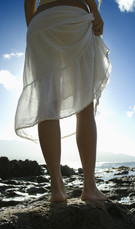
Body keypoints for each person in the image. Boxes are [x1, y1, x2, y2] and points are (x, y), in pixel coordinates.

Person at [15, 0, 111, 202]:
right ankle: (89, 186)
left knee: (47, 105)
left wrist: (35, 28)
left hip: (40, 23)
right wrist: (95, 10)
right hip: (72, 15)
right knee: (85, 107)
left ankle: (57, 187)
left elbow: (28, 2)